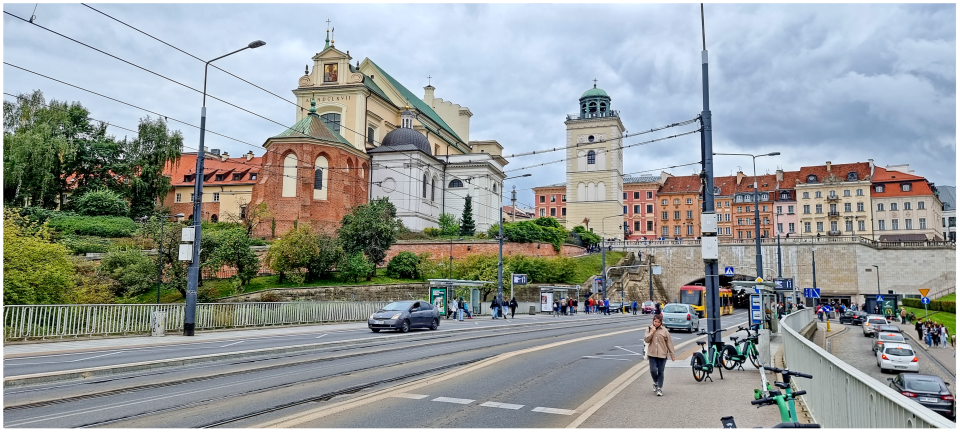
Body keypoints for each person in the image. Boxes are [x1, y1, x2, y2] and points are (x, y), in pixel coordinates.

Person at [644, 314, 676, 397]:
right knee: (653, 370)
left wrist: (672, 354)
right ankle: (656, 382)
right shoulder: (649, 329)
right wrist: (652, 332)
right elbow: (646, 340)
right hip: (652, 354)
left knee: (661, 372)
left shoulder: (665, 331)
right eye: (655, 321)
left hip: (662, 354)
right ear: (653, 321)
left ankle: (659, 388)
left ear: (661, 322)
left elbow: (669, 343)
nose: (657, 323)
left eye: (658, 322)